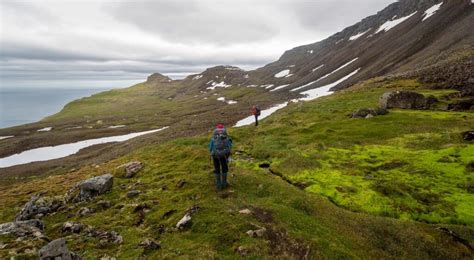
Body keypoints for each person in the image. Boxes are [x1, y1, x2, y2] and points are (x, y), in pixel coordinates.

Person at [208, 124, 233, 190]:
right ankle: (224, 183)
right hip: (224, 155)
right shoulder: (226, 137)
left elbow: (210, 148)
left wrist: (212, 153)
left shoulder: (213, 138)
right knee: (224, 168)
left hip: (215, 155)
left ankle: (218, 185)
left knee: (217, 168)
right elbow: (230, 146)